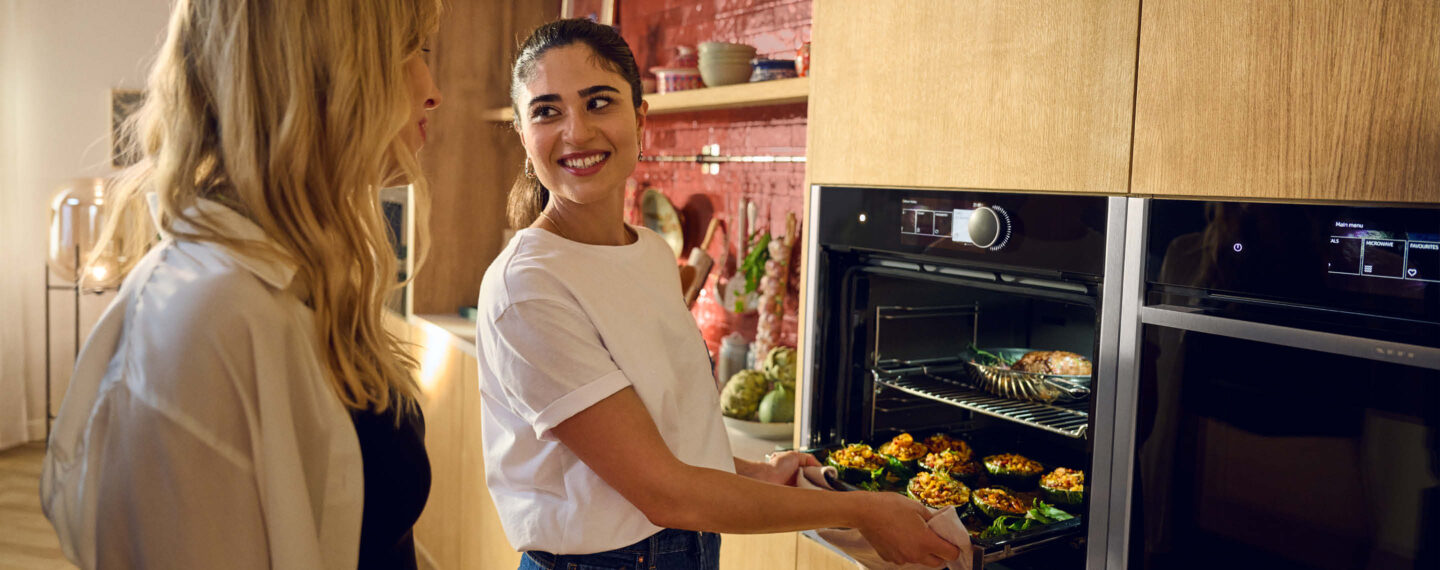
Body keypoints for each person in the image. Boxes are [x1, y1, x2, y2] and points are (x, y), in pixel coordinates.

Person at [476, 18, 961, 569]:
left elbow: (656, 442)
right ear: (522, 133)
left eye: (598, 102)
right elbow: (664, 491)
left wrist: (752, 472)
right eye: (547, 111)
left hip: (688, 548)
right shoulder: (528, 286)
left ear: (640, 119)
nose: (577, 132)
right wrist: (862, 512)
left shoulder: (653, 251)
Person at [41, 0, 443, 568]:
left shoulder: (302, 277)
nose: (431, 90)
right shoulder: (205, 316)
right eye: (407, 52)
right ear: (316, 73)